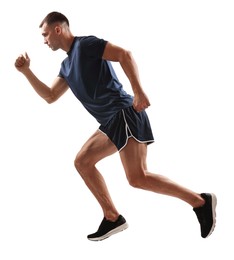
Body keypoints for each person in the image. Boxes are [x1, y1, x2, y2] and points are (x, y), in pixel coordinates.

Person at [15, 11, 217, 241]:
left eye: (45, 34)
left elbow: (124, 55)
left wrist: (139, 91)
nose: (44, 40)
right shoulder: (66, 66)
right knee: (86, 163)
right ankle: (112, 216)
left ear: (58, 29)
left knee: (137, 177)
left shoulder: (86, 44)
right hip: (111, 122)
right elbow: (50, 96)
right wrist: (26, 72)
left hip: (124, 113)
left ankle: (200, 201)